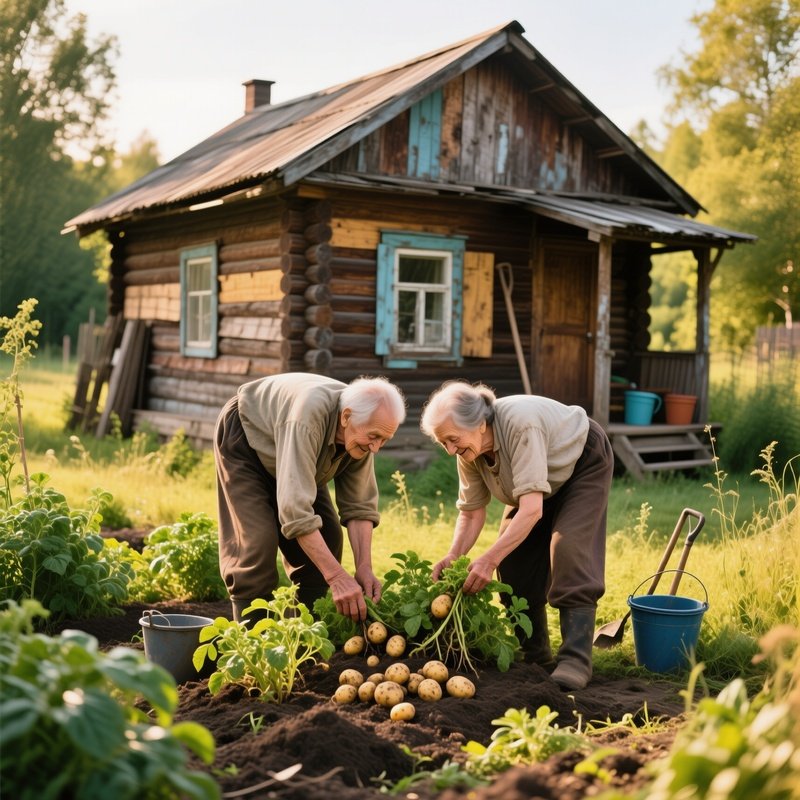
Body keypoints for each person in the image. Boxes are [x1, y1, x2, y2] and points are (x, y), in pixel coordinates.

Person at [420, 380, 614, 691]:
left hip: (581, 464)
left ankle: (576, 661)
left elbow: (531, 510)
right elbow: (471, 512)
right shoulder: (469, 449)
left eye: (453, 440)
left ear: (481, 424)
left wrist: (486, 558)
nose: (451, 450)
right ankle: (536, 655)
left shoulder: (520, 425)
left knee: (568, 548)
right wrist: (454, 555)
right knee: (511, 564)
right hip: (535, 490)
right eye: (443, 443)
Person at [214, 372, 406, 623]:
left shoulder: (363, 428)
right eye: (374, 437)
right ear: (346, 417)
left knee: (328, 536)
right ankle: (252, 643)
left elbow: (359, 506)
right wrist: (337, 577)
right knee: (257, 543)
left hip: (295, 449)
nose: (376, 448)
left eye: (384, 440)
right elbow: (296, 512)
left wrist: (364, 568)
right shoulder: (310, 417)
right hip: (248, 438)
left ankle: (305, 638)